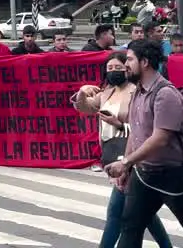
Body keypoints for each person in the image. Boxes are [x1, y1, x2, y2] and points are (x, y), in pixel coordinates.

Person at [107, 40, 183, 248]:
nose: (126, 65)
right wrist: (127, 166)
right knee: (131, 225)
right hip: (145, 174)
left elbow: (161, 138)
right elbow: (136, 132)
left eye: (130, 59)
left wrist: (126, 163)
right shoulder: (139, 92)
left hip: (174, 176)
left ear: (145, 62)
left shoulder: (165, 94)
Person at [74, 51, 174, 248]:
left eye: (118, 68)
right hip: (111, 154)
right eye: (109, 68)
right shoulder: (107, 92)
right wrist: (82, 92)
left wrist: (118, 123)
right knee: (145, 213)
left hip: (132, 156)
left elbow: (144, 127)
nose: (114, 72)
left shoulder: (136, 92)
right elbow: (85, 108)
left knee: (115, 213)